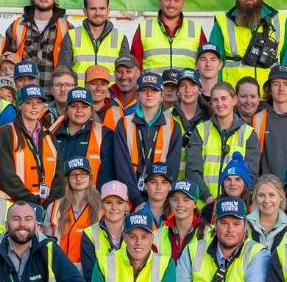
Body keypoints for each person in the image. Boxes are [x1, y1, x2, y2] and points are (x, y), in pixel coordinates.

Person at [210, 0, 287, 90]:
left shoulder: (279, 19)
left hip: (269, 94)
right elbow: (214, 60)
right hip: (234, 94)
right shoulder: (223, 21)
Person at [111, 70, 183, 204]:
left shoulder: (174, 126)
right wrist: (138, 201)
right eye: (144, 90)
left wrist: (158, 201)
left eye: (154, 90)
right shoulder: (124, 124)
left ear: (161, 95)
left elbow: (172, 168)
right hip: (130, 199)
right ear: (137, 95)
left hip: (160, 200)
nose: (149, 94)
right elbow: (122, 168)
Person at [184, 81, 261, 192]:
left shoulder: (248, 134)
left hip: (233, 205)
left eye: (224, 98)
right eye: (215, 100)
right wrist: (208, 198)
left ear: (234, 100)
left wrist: (230, 200)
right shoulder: (200, 130)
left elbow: (251, 176)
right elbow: (192, 172)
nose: (219, 104)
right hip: (203, 204)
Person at [4, 0, 73, 93]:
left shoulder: (67, 28)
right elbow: (6, 63)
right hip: (23, 95)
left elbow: (70, 64)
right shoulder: (17, 26)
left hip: (54, 96)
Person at [0, 84, 57, 205]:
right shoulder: (7, 133)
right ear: (20, 105)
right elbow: (6, 176)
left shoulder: (49, 135)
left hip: (46, 206)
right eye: (28, 102)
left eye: (38, 102)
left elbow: (58, 174)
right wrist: (33, 200)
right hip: (14, 205)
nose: (34, 106)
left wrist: (49, 202)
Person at [133, 0, 204, 72]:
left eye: (176, 0)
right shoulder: (144, 28)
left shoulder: (196, 29)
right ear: (159, 0)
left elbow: (204, 64)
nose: (172, 4)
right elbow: (134, 67)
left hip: (185, 86)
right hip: (153, 86)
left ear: (183, 2)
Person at [51, 86, 112, 188]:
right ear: (67, 108)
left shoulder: (105, 134)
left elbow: (107, 175)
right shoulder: (52, 133)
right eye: (74, 106)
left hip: (91, 198)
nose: (79, 110)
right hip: (57, 198)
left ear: (91, 109)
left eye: (84, 106)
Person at [78, 181, 133, 280]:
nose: (114, 208)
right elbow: (90, 275)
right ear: (101, 204)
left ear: (127, 206)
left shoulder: (137, 231)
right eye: (108, 202)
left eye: (120, 202)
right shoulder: (89, 234)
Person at [71, 0, 128, 79]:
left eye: (102, 8)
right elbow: (63, 72)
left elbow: (125, 74)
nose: (98, 13)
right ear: (85, 11)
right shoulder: (71, 36)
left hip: (110, 93)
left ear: (108, 10)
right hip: (80, 93)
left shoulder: (120, 38)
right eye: (93, 9)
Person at [49, 156, 101, 250]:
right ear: (67, 179)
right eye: (73, 174)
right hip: (61, 263)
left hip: (91, 263)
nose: (78, 178)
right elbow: (47, 242)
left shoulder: (102, 207)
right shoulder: (54, 207)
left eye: (83, 173)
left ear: (90, 177)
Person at [247, 173, 287, 249]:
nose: (266, 200)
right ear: (255, 198)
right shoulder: (243, 225)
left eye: (271, 195)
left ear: (281, 197)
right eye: (261, 195)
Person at [162, 179, 205, 260]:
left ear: (195, 204)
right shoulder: (158, 235)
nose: (180, 204)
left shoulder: (210, 233)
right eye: (175, 199)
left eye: (186, 200)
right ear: (169, 202)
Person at [84, 63, 124, 130]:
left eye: (103, 84)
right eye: (93, 84)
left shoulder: (117, 112)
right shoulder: (77, 110)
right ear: (85, 86)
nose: (98, 88)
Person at [169, 69, 208, 136]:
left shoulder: (209, 116)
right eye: (183, 85)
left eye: (193, 85)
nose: (188, 90)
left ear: (200, 90)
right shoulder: (166, 116)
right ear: (177, 91)